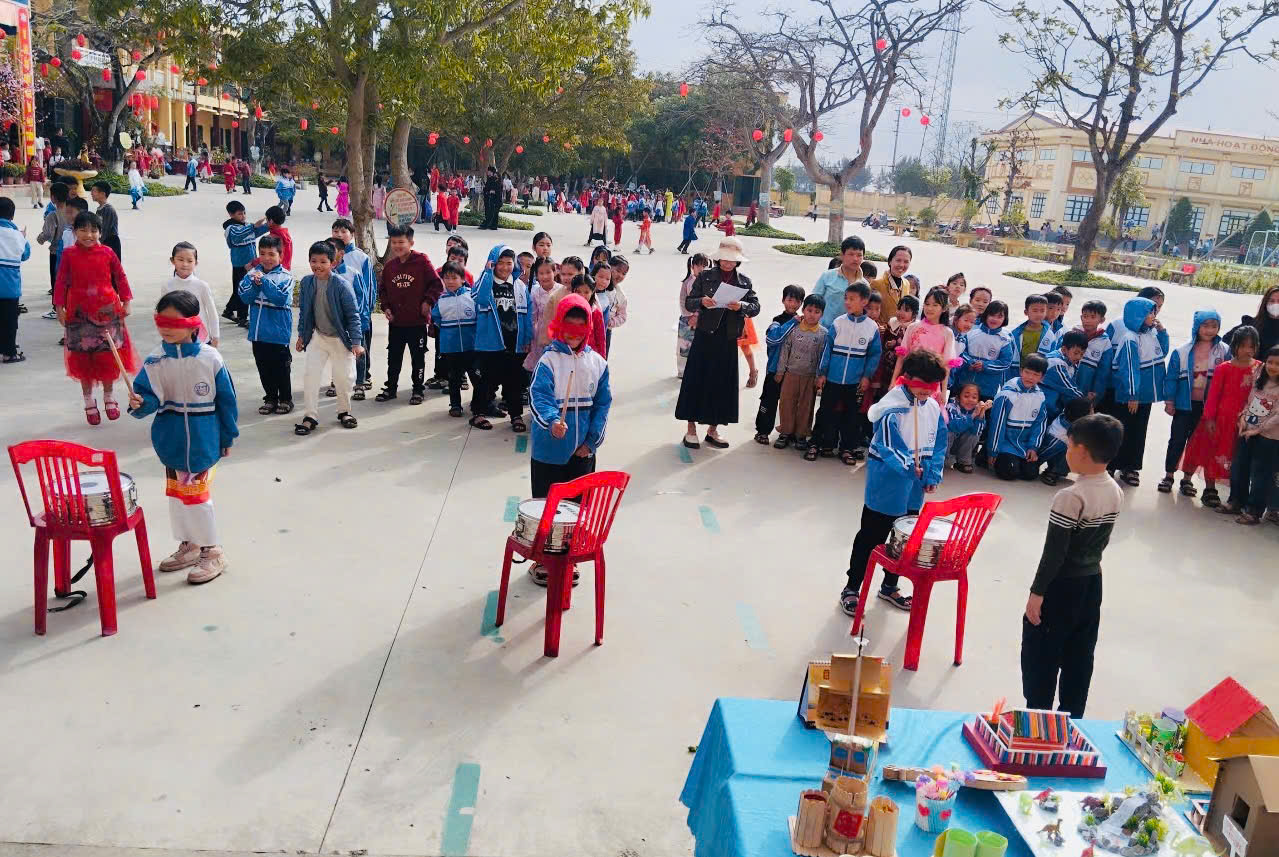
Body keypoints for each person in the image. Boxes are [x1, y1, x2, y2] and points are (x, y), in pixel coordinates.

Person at [127, 290, 239, 585]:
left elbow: (227, 401)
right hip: (171, 440)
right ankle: (190, 544)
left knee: (197, 496)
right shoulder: (155, 360)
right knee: (178, 495)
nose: (165, 328)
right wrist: (139, 403)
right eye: (161, 321)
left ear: (192, 324)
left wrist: (228, 436)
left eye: (173, 322)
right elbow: (147, 399)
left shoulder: (210, 358)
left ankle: (213, 550)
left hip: (204, 439)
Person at [1020, 412, 1124, 718]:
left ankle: (1039, 719)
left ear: (1081, 451)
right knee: (1080, 654)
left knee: (1041, 655)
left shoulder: (1071, 496)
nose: (1066, 452)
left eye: (1068, 446)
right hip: (1092, 583)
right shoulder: (1115, 490)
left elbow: (1054, 553)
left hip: (1062, 586)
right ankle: (1072, 718)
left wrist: (1037, 593)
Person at [840, 348, 949, 616]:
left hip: (915, 486)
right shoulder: (892, 407)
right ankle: (852, 587)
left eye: (932, 387)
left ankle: (890, 586)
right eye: (923, 386)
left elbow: (939, 443)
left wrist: (932, 474)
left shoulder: (932, 407)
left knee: (904, 539)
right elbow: (889, 445)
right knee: (871, 537)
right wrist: (909, 467)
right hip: (888, 483)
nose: (927, 392)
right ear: (908, 378)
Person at [527, 294, 612, 584]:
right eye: (568, 328)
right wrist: (552, 421)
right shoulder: (548, 361)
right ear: (559, 327)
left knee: (576, 510)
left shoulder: (598, 363)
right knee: (546, 507)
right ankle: (542, 559)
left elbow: (603, 405)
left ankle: (569, 559)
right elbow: (538, 397)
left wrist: (591, 442)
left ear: (588, 329)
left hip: (582, 452)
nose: (573, 335)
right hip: (549, 450)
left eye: (580, 329)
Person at [54, 211, 139, 424]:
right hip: (79, 313)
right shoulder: (69, 254)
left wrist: (126, 301)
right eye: (83, 230)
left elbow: (120, 276)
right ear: (75, 231)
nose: (88, 235)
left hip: (108, 312)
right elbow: (61, 280)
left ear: (100, 232)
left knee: (109, 356)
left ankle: (109, 397)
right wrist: (59, 307)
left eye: (93, 230)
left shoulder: (108, 253)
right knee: (83, 359)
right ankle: (88, 400)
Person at [676, 236, 760, 449]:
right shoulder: (705, 276)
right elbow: (689, 302)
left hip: (728, 338)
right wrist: (702, 302)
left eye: (732, 259)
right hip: (705, 336)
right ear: (718, 258)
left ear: (738, 260)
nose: (727, 263)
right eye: (724, 258)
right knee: (696, 381)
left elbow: (755, 306)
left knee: (722, 385)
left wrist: (741, 306)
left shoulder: (744, 281)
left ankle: (713, 430)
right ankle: (691, 429)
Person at [1183, 326, 1259, 509]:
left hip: (1244, 421)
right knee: (1211, 452)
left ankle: (1237, 494)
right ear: (1234, 346)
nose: (1247, 350)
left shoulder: (1259, 368)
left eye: (1251, 346)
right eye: (1243, 346)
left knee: (1235, 456)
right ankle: (1209, 489)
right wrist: (1209, 418)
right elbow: (1213, 395)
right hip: (1220, 419)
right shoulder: (1223, 368)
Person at [294, 240, 364, 435]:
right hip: (318, 337)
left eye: (323, 262)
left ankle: (344, 412)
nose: (318, 266)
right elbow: (305, 312)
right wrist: (302, 335)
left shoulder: (341, 285)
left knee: (343, 379)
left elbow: (353, 315)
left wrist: (357, 343)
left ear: (333, 263)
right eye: (314, 261)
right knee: (311, 376)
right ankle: (310, 416)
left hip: (340, 340)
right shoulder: (307, 282)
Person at [1159, 310, 1228, 495]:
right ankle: (1168, 475)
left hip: (1208, 408)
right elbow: (1171, 378)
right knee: (1177, 440)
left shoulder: (1224, 351)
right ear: (1197, 326)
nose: (1209, 330)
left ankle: (1187, 479)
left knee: (1196, 444)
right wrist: (1169, 401)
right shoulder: (1182, 351)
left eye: (1214, 326)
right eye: (1205, 326)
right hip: (1184, 405)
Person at [813, 280, 882, 463]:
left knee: (851, 416)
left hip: (854, 382)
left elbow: (874, 355)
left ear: (864, 301)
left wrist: (866, 376)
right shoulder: (838, 323)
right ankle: (817, 443)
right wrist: (822, 373)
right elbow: (827, 350)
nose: (847, 302)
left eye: (852, 299)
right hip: (833, 379)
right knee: (825, 411)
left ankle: (847, 449)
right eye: (846, 298)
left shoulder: (871, 327)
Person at [376, 225, 443, 404]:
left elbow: (437, 284)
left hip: (417, 322)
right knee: (393, 357)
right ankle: (391, 388)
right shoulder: (390, 266)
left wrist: (428, 302)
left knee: (418, 358)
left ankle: (418, 390)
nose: (397, 246)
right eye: (394, 242)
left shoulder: (422, 261)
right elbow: (383, 290)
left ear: (411, 243)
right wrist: (386, 307)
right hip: (396, 322)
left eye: (401, 242)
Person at [1107, 296, 1166, 486]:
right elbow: (1129, 369)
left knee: (1138, 432)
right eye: (1150, 312)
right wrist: (1133, 394)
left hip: (1145, 396)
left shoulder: (1151, 334)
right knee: (1122, 430)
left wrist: (1162, 332)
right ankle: (1111, 465)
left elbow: (1162, 352)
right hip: (1131, 396)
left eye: (1154, 312)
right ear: (1138, 315)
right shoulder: (1129, 338)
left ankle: (1131, 467)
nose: (1153, 315)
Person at [473, 244, 532, 430]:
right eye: (500, 263)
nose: (505, 267)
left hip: (514, 342)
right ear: (492, 263)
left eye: (509, 263)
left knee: (514, 381)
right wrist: (487, 273)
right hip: (490, 343)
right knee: (486, 380)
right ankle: (478, 414)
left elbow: (527, 314)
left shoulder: (519, 286)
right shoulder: (485, 282)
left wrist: (527, 338)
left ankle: (516, 415)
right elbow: (480, 298)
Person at [237, 234, 295, 414]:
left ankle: (285, 399)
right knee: (263, 367)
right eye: (262, 254)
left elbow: (281, 298)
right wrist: (255, 285)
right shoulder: (251, 275)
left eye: (271, 254)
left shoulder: (286, 276)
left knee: (281, 368)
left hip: (278, 333)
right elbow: (244, 297)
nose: (267, 258)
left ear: (280, 255)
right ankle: (270, 398)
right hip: (258, 332)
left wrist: (264, 282)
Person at [1222, 345, 1279, 524]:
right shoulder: (1259, 377)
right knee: (1239, 467)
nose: (1273, 367)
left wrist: (1259, 429)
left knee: (1260, 475)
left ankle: (1254, 512)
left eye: (1278, 364)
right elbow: (1250, 401)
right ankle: (1236, 502)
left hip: (1269, 437)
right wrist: (1243, 419)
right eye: (1270, 362)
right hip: (1248, 430)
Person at [770, 293, 828, 455]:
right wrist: (780, 371)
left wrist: (819, 376)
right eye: (809, 310)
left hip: (810, 376)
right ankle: (785, 432)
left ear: (822, 314)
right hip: (791, 373)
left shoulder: (823, 334)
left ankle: (801, 434)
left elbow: (822, 357)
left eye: (817, 312)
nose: (812, 314)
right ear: (803, 310)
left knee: (806, 405)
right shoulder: (793, 329)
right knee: (787, 403)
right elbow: (785, 351)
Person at [753, 285, 803, 445]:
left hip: (793, 371)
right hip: (774, 370)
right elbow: (773, 339)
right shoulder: (777, 321)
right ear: (783, 300)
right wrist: (792, 322)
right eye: (790, 300)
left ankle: (789, 432)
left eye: (797, 301)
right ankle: (762, 431)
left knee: (791, 404)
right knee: (768, 401)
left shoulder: (803, 322)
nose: (793, 304)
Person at [891, 286, 958, 404]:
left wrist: (943, 392)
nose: (929, 308)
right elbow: (901, 357)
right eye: (927, 304)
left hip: (931, 385)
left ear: (944, 308)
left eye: (935, 305)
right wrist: (893, 381)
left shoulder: (947, 333)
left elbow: (945, 366)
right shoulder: (913, 327)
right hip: (910, 381)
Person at [989, 352, 1049, 481]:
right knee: (1009, 472)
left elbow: (1040, 424)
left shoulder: (1040, 396)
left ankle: (1016, 461)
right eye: (1027, 372)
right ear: (1021, 371)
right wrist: (993, 450)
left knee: (1031, 474)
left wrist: (1033, 447)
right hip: (1005, 444)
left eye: (1036, 374)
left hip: (1024, 445)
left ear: (1042, 377)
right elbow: (997, 425)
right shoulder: (1007, 394)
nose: (1030, 377)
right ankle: (985, 456)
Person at [433, 260, 480, 418]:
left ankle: (478, 404)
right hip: (451, 348)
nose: (450, 281)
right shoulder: (441, 300)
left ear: (463, 279)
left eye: (454, 278)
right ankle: (455, 405)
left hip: (471, 347)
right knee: (454, 379)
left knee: (476, 377)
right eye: (447, 278)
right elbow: (436, 318)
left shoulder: (471, 296)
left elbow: (479, 317)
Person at [328, 238, 372, 399]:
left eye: (332, 251)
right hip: (335, 324)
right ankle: (337, 381)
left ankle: (360, 384)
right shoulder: (325, 275)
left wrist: (354, 318)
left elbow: (361, 298)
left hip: (355, 321)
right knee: (337, 353)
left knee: (359, 352)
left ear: (341, 253)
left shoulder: (353, 273)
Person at [222, 201, 268, 327]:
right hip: (240, 265)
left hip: (250, 265)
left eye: (244, 213)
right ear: (231, 214)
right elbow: (239, 235)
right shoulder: (231, 229)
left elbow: (257, 231)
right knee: (244, 290)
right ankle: (242, 318)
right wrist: (253, 226)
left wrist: (270, 224)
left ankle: (229, 310)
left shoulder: (247, 226)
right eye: (239, 214)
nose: (243, 216)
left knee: (239, 289)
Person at [166, 241, 218, 346]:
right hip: (177, 339)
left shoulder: (202, 286)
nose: (185, 264)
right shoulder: (167, 286)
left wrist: (215, 336)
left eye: (189, 261)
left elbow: (212, 313)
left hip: (201, 339)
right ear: (172, 260)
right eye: (180, 260)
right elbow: (164, 314)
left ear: (196, 263)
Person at [1037, 397, 1096, 486]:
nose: (1093, 412)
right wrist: (1034, 463)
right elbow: (1044, 451)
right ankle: (1052, 472)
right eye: (1091, 410)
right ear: (1082, 414)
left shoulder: (1073, 420)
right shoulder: (1059, 434)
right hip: (1053, 451)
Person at [0, 197, 30, 364]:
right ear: (12, 216)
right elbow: (25, 255)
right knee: (9, 321)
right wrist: (23, 236)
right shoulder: (17, 235)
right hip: (10, 289)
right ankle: (9, 353)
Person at [812, 237, 866, 327]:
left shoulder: (865, 285)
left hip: (850, 332)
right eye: (851, 254)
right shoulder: (827, 276)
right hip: (824, 330)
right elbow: (813, 302)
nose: (855, 259)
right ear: (842, 255)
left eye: (859, 255)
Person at [1039, 330, 1088, 418]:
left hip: (1052, 406)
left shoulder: (1070, 362)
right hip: (1044, 407)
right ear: (1064, 349)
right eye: (1076, 353)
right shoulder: (1055, 363)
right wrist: (1086, 403)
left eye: (1082, 354)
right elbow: (1069, 389)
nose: (1079, 357)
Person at [676, 253, 710, 377]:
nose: (702, 269)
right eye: (699, 265)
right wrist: (689, 316)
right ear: (692, 266)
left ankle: (698, 370)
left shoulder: (708, 283)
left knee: (700, 346)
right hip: (687, 320)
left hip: (702, 319)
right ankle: (682, 371)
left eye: (705, 266)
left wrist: (697, 315)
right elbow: (682, 300)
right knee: (684, 346)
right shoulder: (688, 282)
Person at [1074, 300, 1112, 402]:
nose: (1088, 320)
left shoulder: (1104, 342)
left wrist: (1096, 392)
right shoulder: (1073, 334)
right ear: (1081, 317)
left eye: (1093, 317)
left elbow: (1103, 372)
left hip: (1086, 391)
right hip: (1066, 387)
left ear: (1102, 320)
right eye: (1085, 316)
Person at [870, 245, 910, 319]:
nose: (901, 265)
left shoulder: (906, 284)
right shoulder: (876, 284)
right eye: (898, 260)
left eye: (906, 262)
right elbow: (868, 310)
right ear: (890, 261)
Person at [89, 181, 121, 261]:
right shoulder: (100, 209)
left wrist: (96, 245)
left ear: (102, 194)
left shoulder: (108, 210)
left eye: (94, 191)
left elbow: (104, 229)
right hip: (103, 241)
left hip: (110, 243)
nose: (91, 193)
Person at [482, 166, 502, 230]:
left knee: (493, 213)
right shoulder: (490, 179)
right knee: (492, 212)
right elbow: (487, 188)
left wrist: (491, 191)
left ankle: (490, 225)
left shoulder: (496, 180)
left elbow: (496, 190)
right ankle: (492, 225)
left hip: (495, 199)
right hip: (490, 198)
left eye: (488, 171)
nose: (487, 172)